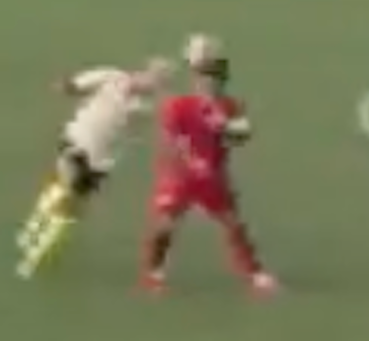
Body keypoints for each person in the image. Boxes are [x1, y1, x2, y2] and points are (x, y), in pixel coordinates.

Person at [16, 57, 174, 279]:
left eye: (157, 81)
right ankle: (34, 236)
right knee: (63, 190)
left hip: (98, 162)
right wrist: (68, 86)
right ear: (142, 70)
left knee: (72, 204)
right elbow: (80, 84)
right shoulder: (111, 76)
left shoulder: (143, 109)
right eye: (151, 75)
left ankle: (39, 244)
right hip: (76, 140)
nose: (150, 82)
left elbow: (145, 116)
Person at [141, 36, 277, 295]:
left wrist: (227, 128)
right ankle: (153, 273)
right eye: (206, 76)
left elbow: (243, 135)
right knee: (166, 224)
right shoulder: (180, 106)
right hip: (180, 178)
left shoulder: (230, 107)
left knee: (233, 224)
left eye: (215, 77)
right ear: (197, 78)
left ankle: (255, 273)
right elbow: (172, 141)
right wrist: (191, 161)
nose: (210, 82)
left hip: (213, 177)